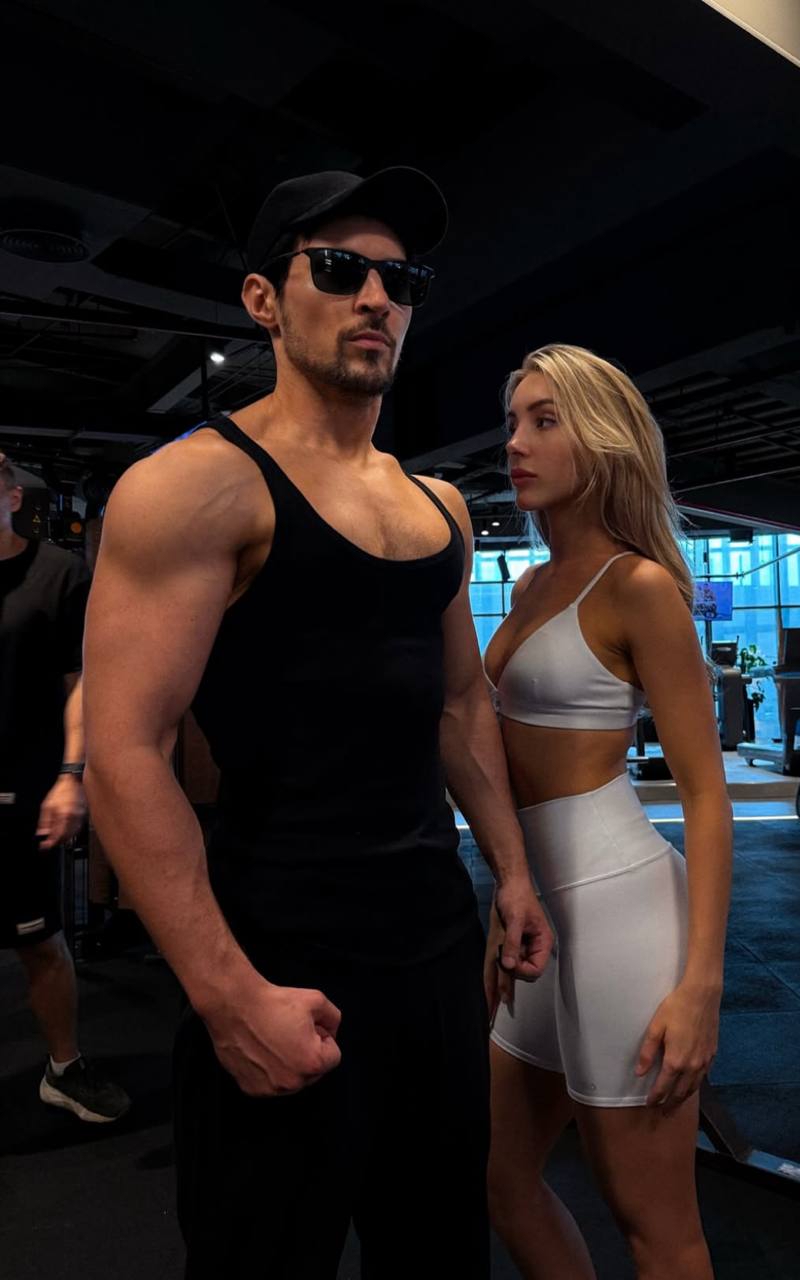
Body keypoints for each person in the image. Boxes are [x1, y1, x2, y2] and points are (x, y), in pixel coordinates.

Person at [82, 168, 552, 1279]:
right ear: (264, 299)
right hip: (279, 952)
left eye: (401, 278)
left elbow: (457, 702)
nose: (376, 297)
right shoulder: (195, 488)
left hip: (433, 949)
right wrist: (225, 994)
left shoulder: (438, 507)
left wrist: (512, 872)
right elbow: (123, 749)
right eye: (339, 270)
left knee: (438, 1254)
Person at [484, 345, 732, 1279]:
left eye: (544, 421)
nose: (516, 443)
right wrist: (510, 889)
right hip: (538, 916)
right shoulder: (528, 585)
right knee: (500, 1177)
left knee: (653, 1223)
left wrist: (700, 985)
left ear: (603, 439)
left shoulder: (638, 587)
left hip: (623, 910)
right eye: (514, 421)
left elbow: (705, 796)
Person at [0, 452, 129, 1123]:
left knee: (40, 942)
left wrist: (70, 776)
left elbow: (81, 685)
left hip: (23, 792)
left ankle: (65, 1069)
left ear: (11, 497)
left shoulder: (59, 574)